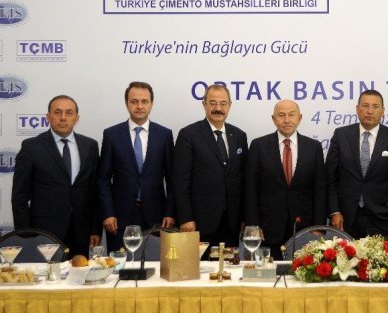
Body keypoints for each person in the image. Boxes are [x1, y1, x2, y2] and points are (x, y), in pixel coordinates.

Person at [12, 95, 100, 258]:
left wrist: (95, 229)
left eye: (69, 113)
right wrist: (24, 233)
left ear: (77, 118)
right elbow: (19, 196)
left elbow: (94, 191)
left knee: (79, 272)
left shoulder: (90, 146)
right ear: (48, 117)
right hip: (44, 231)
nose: (63, 118)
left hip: (81, 231)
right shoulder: (31, 147)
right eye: (57, 112)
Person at [97, 82, 175, 252]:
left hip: (156, 217)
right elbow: (103, 179)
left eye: (144, 101)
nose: (139, 106)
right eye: (134, 101)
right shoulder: (111, 135)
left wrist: (170, 212)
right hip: (119, 218)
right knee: (120, 264)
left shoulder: (164, 135)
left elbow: (172, 179)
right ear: (126, 103)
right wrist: (108, 213)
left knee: (155, 263)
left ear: (151, 104)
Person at [326, 89, 388, 240]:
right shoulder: (341, 135)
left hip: (384, 218)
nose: (370, 111)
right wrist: (335, 211)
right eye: (365, 106)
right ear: (357, 109)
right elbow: (330, 178)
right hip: (345, 218)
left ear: (383, 111)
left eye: (375, 106)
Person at [245, 100, 327, 259]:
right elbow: (251, 189)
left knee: (303, 272)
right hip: (268, 228)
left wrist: (319, 226)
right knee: (269, 272)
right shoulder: (258, 146)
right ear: (273, 118)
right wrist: (253, 225)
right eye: (281, 115)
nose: (286, 120)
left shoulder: (314, 147)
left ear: (299, 118)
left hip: (305, 228)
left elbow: (320, 189)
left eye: (291, 115)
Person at [173, 84, 248, 250]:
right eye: (213, 103)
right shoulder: (188, 135)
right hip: (198, 222)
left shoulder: (239, 136)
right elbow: (180, 181)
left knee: (229, 265)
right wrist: (185, 217)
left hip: (231, 222)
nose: (218, 108)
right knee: (198, 266)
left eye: (223, 103)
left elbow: (243, 180)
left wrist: (244, 218)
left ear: (230, 105)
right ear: (204, 104)